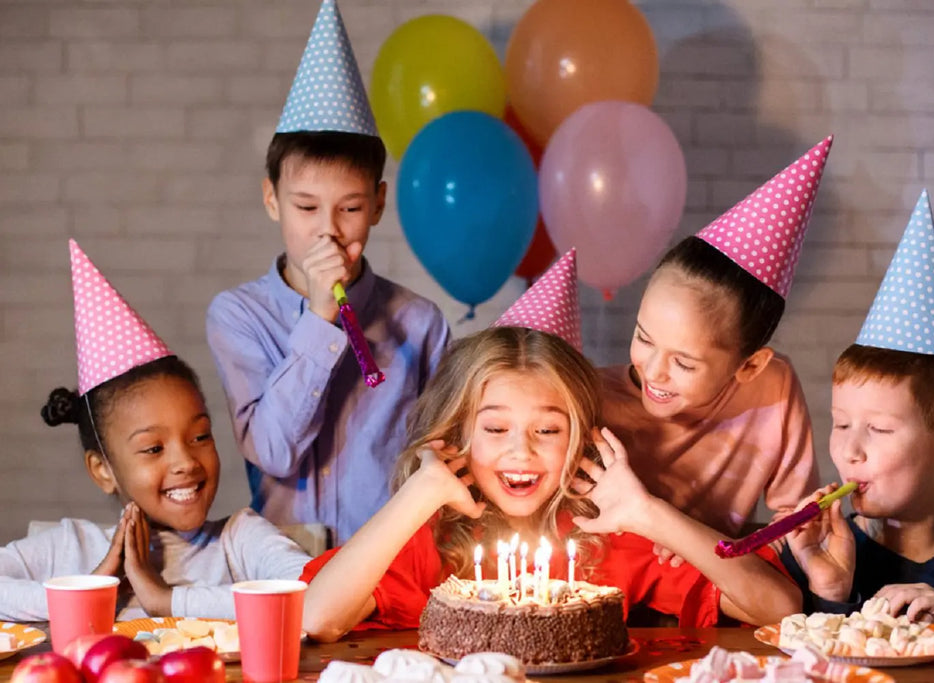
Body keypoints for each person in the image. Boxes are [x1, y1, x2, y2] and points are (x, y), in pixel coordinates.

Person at [296, 253, 801, 642]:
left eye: (548, 430)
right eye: (495, 430)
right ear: (456, 437)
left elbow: (780, 608)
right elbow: (317, 620)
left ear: (581, 440)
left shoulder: (603, 540)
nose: (522, 452)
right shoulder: (429, 541)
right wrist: (420, 492)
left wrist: (647, 513)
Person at [205, 0, 449, 544]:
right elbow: (272, 450)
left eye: (351, 208)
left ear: (380, 204)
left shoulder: (420, 323)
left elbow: (438, 461)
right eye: (306, 207)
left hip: (387, 565)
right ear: (272, 200)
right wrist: (320, 315)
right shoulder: (238, 315)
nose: (328, 231)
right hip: (281, 566)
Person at [0, 241, 310, 622]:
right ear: (102, 470)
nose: (185, 462)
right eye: (152, 448)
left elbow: (311, 592)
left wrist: (166, 601)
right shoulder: (72, 547)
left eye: (199, 437)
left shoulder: (240, 540)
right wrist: (90, 589)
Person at [781, 191, 934, 630]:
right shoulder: (809, 553)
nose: (849, 450)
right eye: (840, 424)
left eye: (878, 428)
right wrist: (831, 594)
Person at [600, 137, 834, 538]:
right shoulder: (592, 397)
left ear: (750, 365)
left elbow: (795, 525)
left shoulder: (772, 387)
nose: (654, 371)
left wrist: (707, 548)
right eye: (644, 337)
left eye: (684, 362)